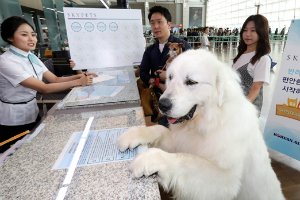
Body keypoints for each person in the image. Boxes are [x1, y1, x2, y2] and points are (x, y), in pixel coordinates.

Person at [0, 16, 97, 153]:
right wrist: (79, 82)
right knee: (13, 154)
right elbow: (43, 87)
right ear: (10, 37)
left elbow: (55, 79)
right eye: (24, 35)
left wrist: (80, 75)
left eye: (33, 35)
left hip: (32, 112)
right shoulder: (6, 62)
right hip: (12, 120)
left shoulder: (31, 57)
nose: (31, 39)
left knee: (31, 149)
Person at [139, 6, 191, 126]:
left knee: (182, 129)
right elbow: (143, 72)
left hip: (180, 98)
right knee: (163, 129)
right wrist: (153, 80)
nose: (156, 26)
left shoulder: (183, 46)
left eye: (159, 22)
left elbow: (192, 73)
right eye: (152, 23)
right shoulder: (150, 50)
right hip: (159, 99)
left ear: (168, 24)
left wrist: (168, 76)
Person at [232, 14, 271, 115]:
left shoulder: (262, 59)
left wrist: (242, 110)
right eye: (245, 30)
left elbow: (255, 89)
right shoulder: (241, 54)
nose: (247, 34)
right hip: (233, 106)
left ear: (262, 32)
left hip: (247, 110)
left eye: (253, 30)